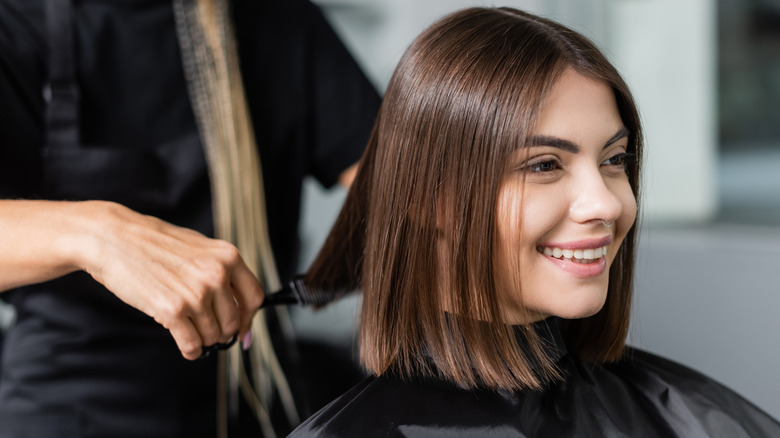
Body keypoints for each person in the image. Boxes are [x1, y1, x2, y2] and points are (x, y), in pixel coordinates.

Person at [289, 7, 780, 437]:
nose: (606, 205)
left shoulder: (700, 421)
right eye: (545, 165)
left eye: (614, 159)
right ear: (426, 199)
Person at [0, 0, 379, 437]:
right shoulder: (16, 22)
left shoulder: (277, 20)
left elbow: (405, 195)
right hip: (70, 405)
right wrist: (99, 234)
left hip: (251, 399)